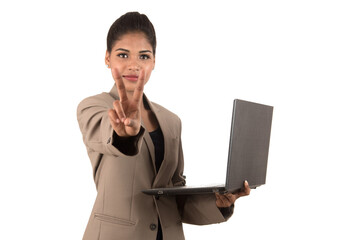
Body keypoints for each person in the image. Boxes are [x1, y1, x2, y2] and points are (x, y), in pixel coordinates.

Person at [77, 12, 250, 240]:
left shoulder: (171, 121)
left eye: (144, 56)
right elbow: (103, 133)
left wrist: (219, 203)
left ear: (154, 61)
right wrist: (124, 135)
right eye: (123, 55)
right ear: (107, 58)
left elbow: (173, 197)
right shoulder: (93, 107)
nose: (134, 65)